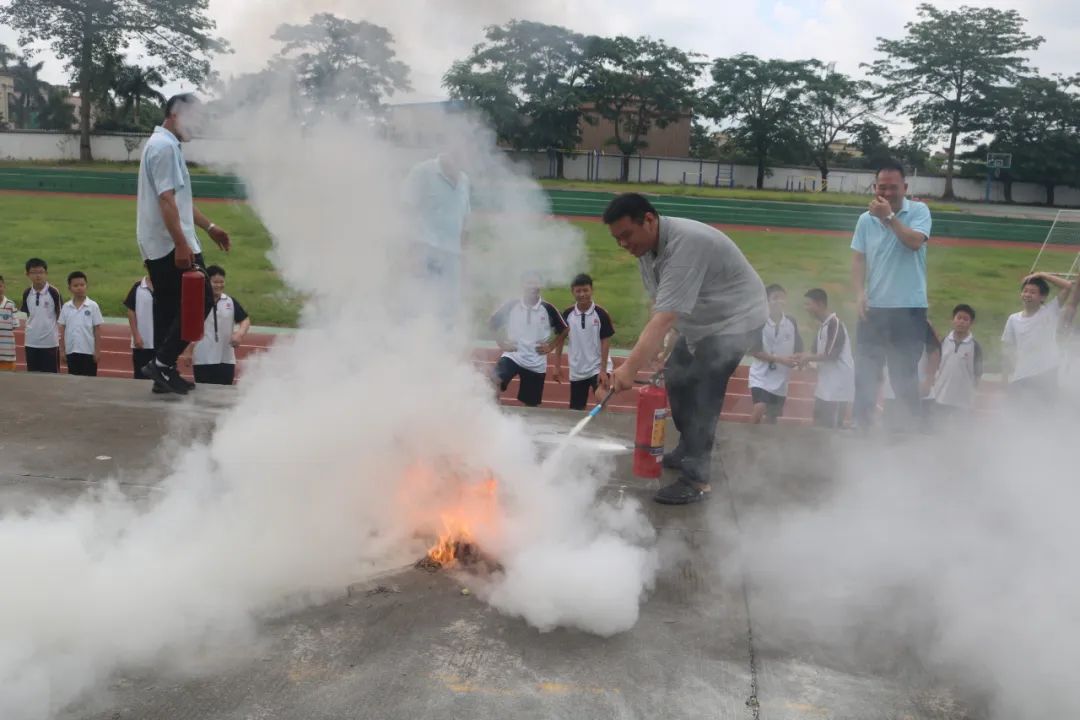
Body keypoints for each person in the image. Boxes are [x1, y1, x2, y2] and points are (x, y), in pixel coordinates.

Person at [605, 194, 767, 505]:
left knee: (704, 387)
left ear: (649, 220)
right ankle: (687, 449)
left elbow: (665, 315)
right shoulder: (646, 249)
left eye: (626, 235)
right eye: (617, 239)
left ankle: (698, 478)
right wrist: (666, 339)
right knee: (675, 379)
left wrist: (629, 368)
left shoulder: (685, 245)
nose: (623, 244)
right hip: (701, 321)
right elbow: (662, 303)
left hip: (736, 320)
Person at [137, 93, 231, 395]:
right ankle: (163, 364)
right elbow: (166, 200)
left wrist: (210, 227)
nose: (198, 127)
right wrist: (181, 244)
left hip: (160, 243)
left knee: (170, 308)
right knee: (201, 299)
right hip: (169, 244)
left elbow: (178, 201)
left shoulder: (163, 145)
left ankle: (162, 375)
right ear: (176, 114)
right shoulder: (164, 148)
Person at [851, 160, 933, 432]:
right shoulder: (865, 219)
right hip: (874, 308)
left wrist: (888, 217)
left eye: (893, 187)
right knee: (864, 373)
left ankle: (907, 432)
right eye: (881, 187)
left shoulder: (919, 211)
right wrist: (859, 292)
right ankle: (862, 430)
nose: (886, 193)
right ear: (875, 187)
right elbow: (859, 258)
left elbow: (913, 243)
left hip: (908, 308)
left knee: (903, 376)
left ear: (905, 188)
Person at [402, 150, 470, 323]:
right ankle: (413, 345)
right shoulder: (422, 172)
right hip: (426, 250)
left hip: (452, 254)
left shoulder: (464, 179)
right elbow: (407, 211)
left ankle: (443, 347)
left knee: (449, 308)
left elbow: (463, 219)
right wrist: (412, 253)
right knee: (422, 305)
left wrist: (464, 257)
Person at [490, 272, 568, 408]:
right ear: (522, 285)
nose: (532, 286)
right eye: (528, 283)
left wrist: (551, 346)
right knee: (493, 382)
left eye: (535, 283)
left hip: (536, 362)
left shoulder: (548, 308)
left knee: (531, 405)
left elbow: (565, 329)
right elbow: (492, 322)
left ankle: (527, 427)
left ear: (541, 286)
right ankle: (496, 416)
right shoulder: (512, 304)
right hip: (513, 355)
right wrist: (501, 343)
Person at [1001, 272, 1071, 407]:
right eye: (1025, 291)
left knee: (1043, 412)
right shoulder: (1013, 319)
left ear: (1042, 297)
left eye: (1033, 292)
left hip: (1046, 373)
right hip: (1021, 374)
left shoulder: (1050, 311)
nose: (1027, 295)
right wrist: (1004, 378)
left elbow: (1068, 286)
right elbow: (1007, 349)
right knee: (1018, 413)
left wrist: (1042, 275)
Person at [553, 273, 616, 411]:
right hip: (577, 370)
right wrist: (557, 366)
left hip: (597, 366)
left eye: (585, 290)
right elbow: (560, 340)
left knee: (601, 397)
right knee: (576, 410)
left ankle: (608, 427)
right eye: (578, 291)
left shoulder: (601, 314)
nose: (582, 294)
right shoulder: (567, 314)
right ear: (572, 292)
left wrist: (603, 370)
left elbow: (606, 341)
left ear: (591, 290)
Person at [181, 265, 251, 385]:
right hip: (203, 359)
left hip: (226, 359)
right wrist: (187, 351)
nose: (219, 285)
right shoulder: (197, 302)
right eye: (215, 282)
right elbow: (188, 328)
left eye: (221, 282)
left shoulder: (230, 302)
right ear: (207, 282)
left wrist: (240, 334)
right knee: (203, 395)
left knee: (224, 395)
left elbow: (245, 320)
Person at [797, 289, 854, 429]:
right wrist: (799, 357)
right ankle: (819, 450)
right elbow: (813, 352)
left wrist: (807, 358)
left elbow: (831, 354)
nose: (806, 309)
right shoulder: (823, 326)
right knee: (818, 422)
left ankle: (835, 450)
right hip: (825, 385)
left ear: (820, 304)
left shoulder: (835, 323)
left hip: (837, 387)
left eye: (808, 304)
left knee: (832, 428)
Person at [748, 284, 803, 425]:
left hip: (781, 378)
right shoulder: (758, 321)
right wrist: (780, 359)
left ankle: (768, 445)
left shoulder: (791, 322)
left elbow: (798, 348)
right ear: (766, 301)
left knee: (772, 416)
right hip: (761, 375)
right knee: (760, 407)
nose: (779, 301)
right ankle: (748, 438)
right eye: (775, 298)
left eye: (782, 298)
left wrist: (800, 360)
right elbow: (755, 351)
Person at [928, 304, 983, 421]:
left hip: (963, 398)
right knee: (938, 427)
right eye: (959, 318)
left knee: (961, 431)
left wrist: (973, 394)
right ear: (952, 320)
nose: (961, 322)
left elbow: (977, 373)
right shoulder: (944, 342)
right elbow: (936, 365)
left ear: (971, 323)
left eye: (965, 319)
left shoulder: (975, 346)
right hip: (941, 395)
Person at [881, 320, 941, 427]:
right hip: (892, 394)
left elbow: (934, 353)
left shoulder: (921, 324)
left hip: (920, 392)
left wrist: (928, 381)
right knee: (892, 433)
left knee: (919, 434)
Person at [58, 271, 104, 377]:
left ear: (86, 286)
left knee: (89, 382)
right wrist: (62, 351)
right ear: (69, 288)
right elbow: (62, 330)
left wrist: (97, 351)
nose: (79, 288)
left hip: (88, 351)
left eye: (82, 285)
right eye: (75, 285)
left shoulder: (93, 306)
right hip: (71, 351)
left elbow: (97, 330)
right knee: (73, 381)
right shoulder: (66, 307)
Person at [20, 258, 62, 374]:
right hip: (31, 341)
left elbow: (60, 315)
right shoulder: (27, 293)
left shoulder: (54, 292)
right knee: (33, 376)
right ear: (27, 274)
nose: (38, 276)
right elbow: (29, 314)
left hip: (50, 343)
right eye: (34, 272)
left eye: (41, 272)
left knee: (51, 377)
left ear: (46, 273)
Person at [123, 271, 156, 380]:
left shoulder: (168, 287)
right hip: (142, 343)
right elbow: (131, 312)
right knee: (141, 378)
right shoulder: (138, 288)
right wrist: (136, 335)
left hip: (162, 344)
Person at [0, 274, 18, 372]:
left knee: (7, 384)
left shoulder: (10, 305)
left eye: (0, 286)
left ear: (4, 287)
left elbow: (14, 326)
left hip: (7, 355)